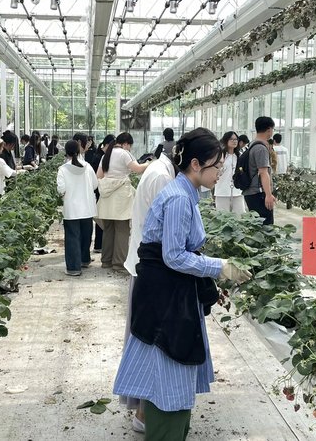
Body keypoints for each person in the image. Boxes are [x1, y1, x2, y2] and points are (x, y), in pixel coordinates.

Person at [113, 127, 251, 440]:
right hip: (167, 297)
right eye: (216, 166)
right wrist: (219, 267)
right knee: (168, 365)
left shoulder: (184, 192)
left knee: (165, 366)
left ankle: (163, 423)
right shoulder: (178, 198)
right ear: (195, 165)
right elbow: (174, 256)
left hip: (168, 291)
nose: (220, 172)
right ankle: (165, 428)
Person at [121, 134, 177, 433]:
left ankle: (143, 410)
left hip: (146, 266)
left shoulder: (159, 171)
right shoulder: (162, 178)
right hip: (151, 271)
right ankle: (144, 413)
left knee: (145, 339)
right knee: (149, 341)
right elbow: (166, 237)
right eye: (214, 166)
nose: (217, 172)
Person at [97, 132, 149, 270]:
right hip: (121, 197)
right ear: (126, 143)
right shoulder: (124, 154)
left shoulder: (106, 155)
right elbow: (137, 169)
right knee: (122, 229)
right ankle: (119, 263)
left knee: (108, 230)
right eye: (130, 146)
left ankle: (106, 261)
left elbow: (99, 175)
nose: (129, 148)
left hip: (107, 197)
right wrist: (148, 163)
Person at [57, 140, 98, 276]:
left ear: (66, 152)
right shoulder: (87, 166)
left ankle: (74, 268)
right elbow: (95, 185)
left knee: (72, 237)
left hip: (71, 208)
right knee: (86, 235)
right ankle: (84, 260)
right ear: (79, 150)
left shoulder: (63, 169)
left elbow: (61, 189)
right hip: (87, 207)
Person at [243, 116, 276, 225]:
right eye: (272, 129)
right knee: (266, 227)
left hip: (251, 192)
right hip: (258, 193)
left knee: (256, 226)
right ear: (269, 130)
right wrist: (268, 195)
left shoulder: (252, 144)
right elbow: (263, 172)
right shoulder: (261, 148)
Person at [90, 135, 114, 253]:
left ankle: (99, 244)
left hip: (100, 189)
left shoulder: (100, 155)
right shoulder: (100, 156)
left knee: (102, 216)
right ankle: (99, 245)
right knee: (101, 217)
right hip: (101, 189)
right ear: (108, 145)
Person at [214, 131, 245, 214]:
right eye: (231, 139)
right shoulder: (220, 155)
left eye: (236, 139)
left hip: (237, 192)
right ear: (226, 140)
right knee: (222, 216)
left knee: (240, 215)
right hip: (222, 191)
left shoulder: (240, 155)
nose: (234, 141)